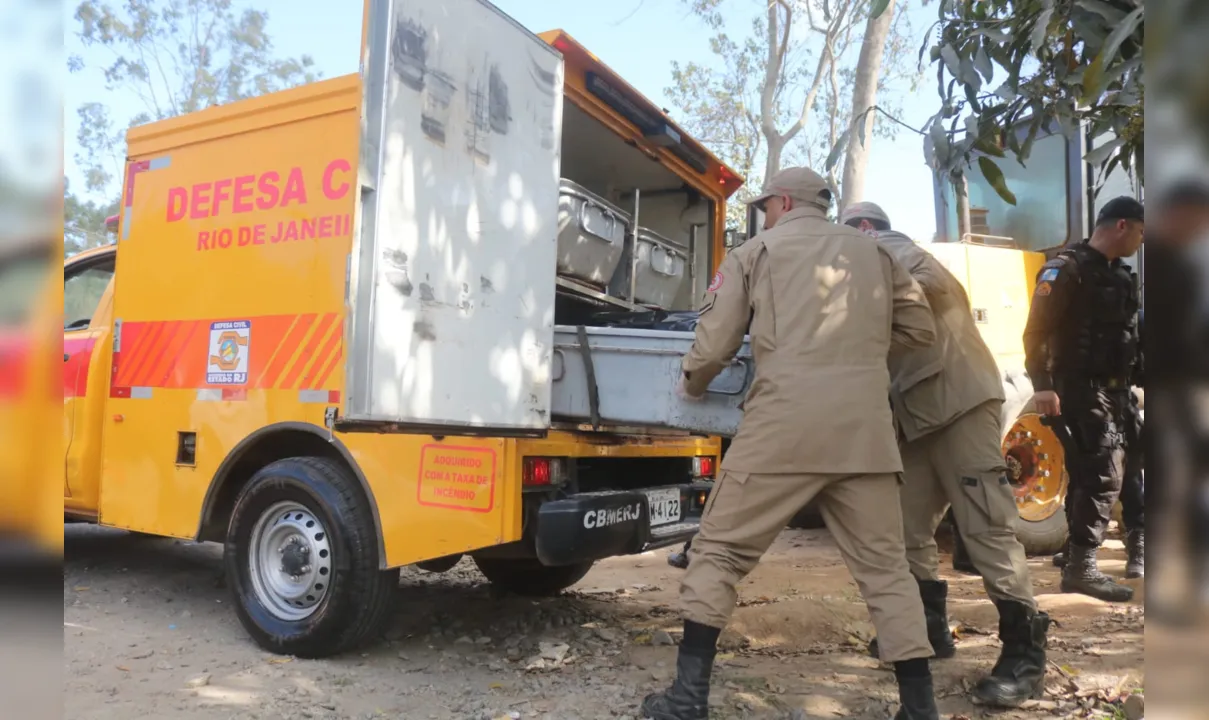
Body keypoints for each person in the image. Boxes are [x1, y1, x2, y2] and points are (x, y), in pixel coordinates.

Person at [640, 167, 941, 720]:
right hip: (865, 434)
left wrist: (692, 381)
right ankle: (920, 708)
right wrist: (860, 353)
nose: (764, 215)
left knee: (720, 552)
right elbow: (920, 329)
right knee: (886, 570)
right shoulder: (875, 253)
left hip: (782, 428)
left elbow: (714, 344)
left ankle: (687, 700)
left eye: (765, 206)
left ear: (782, 201)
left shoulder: (757, 252)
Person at [842, 202, 1050, 707]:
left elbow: (912, 287)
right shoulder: (875, 264)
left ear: (866, 230)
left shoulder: (897, 252)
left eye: (844, 243)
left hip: (959, 407)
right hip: (916, 417)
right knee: (908, 529)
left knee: (986, 527)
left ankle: (1025, 657)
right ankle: (929, 629)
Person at [1021, 196, 1144, 603]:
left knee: (1123, 464)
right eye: (1141, 233)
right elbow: (1035, 332)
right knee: (1102, 471)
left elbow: (1128, 335)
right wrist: (1042, 384)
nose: (1141, 243)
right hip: (1080, 387)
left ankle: (1084, 552)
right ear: (1122, 225)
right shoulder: (1065, 269)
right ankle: (1081, 568)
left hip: (1118, 389)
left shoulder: (1122, 275)